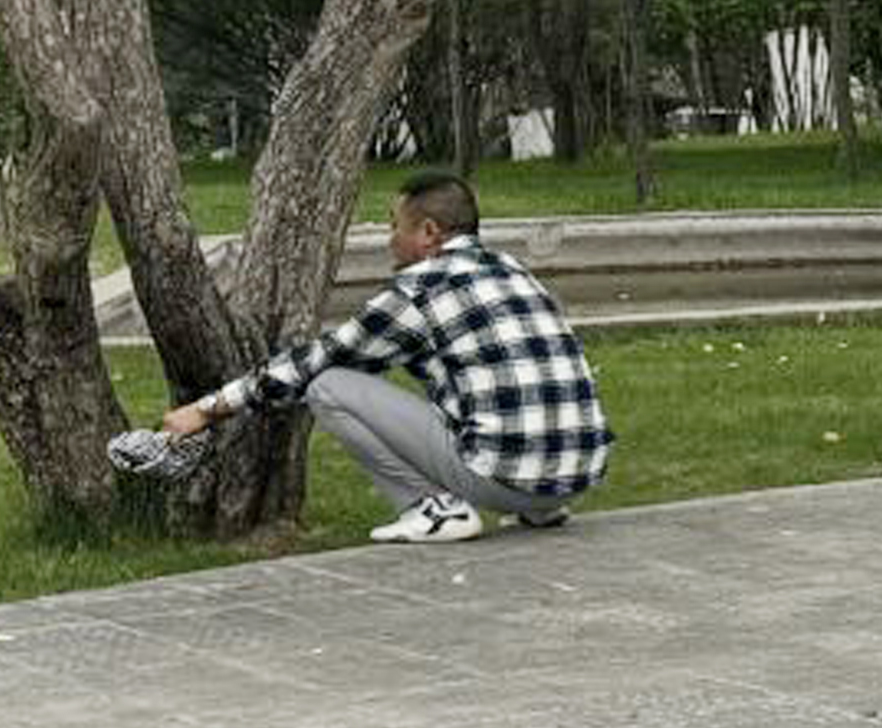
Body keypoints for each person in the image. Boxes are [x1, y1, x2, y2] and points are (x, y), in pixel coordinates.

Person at [156, 170, 612, 545]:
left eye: (395, 225)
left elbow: (317, 360)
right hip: (578, 474)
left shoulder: (418, 290)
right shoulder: (512, 270)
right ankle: (540, 510)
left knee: (327, 386)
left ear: (428, 233)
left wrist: (207, 409)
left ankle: (432, 509)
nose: (389, 238)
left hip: (501, 478)